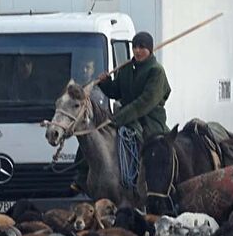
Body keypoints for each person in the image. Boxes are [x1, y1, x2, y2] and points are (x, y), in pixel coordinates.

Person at [72, 31, 172, 194]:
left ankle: (144, 184)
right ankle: (81, 175)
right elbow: (115, 91)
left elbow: (144, 103)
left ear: (150, 50)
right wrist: (105, 83)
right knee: (92, 133)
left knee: (147, 148)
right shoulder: (126, 68)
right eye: (135, 47)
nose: (137, 51)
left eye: (142, 47)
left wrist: (118, 118)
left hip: (149, 120)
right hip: (124, 116)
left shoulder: (156, 71)